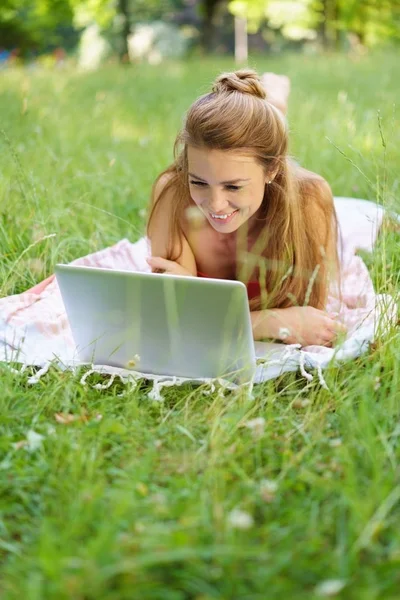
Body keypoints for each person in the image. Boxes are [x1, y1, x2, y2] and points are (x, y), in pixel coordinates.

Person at [146, 69, 347, 347]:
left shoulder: (309, 198)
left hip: (281, 183)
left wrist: (207, 309)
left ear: (272, 170)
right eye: (199, 182)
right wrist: (273, 321)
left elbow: (311, 321)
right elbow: (177, 318)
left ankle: (274, 101)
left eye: (233, 187)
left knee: (271, 121)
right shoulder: (173, 190)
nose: (215, 205)